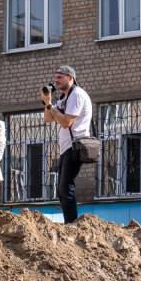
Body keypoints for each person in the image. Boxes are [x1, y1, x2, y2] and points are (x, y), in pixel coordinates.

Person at [40, 65, 93, 223]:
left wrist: (50, 106)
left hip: (75, 146)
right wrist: (47, 102)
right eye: (55, 77)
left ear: (71, 78)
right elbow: (48, 119)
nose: (56, 81)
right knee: (62, 190)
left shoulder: (77, 94)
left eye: (60, 77)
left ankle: (72, 224)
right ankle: (69, 222)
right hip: (66, 148)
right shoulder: (64, 97)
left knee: (65, 188)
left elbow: (66, 122)